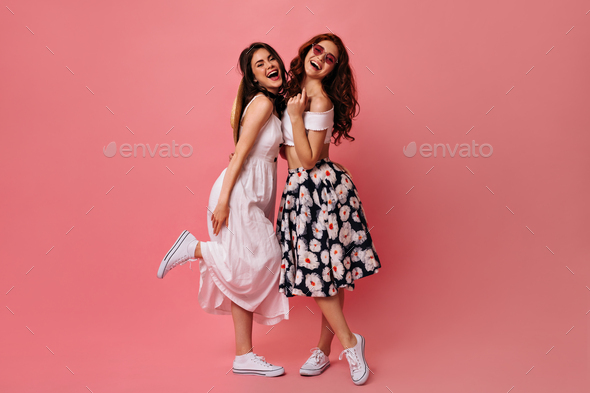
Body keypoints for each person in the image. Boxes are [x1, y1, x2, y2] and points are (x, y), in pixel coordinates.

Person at [157, 42, 290, 377]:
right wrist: (223, 202)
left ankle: (243, 356)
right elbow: (241, 151)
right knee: (266, 258)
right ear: (254, 79)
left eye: (271, 58)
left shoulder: (273, 106)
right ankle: (195, 248)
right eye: (260, 64)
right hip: (239, 192)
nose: (270, 64)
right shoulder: (261, 103)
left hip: (255, 192)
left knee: (246, 271)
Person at [276, 33, 382, 386]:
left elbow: (306, 159)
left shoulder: (318, 101)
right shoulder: (291, 94)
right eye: (318, 50)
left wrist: (294, 117)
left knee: (322, 274)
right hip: (300, 191)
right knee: (328, 272)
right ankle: (324, 346)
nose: (321, 58)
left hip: (317, 193)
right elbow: (294, 152)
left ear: (334, 70)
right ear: (306, 50)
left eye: (331, 58)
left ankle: (351, 344)